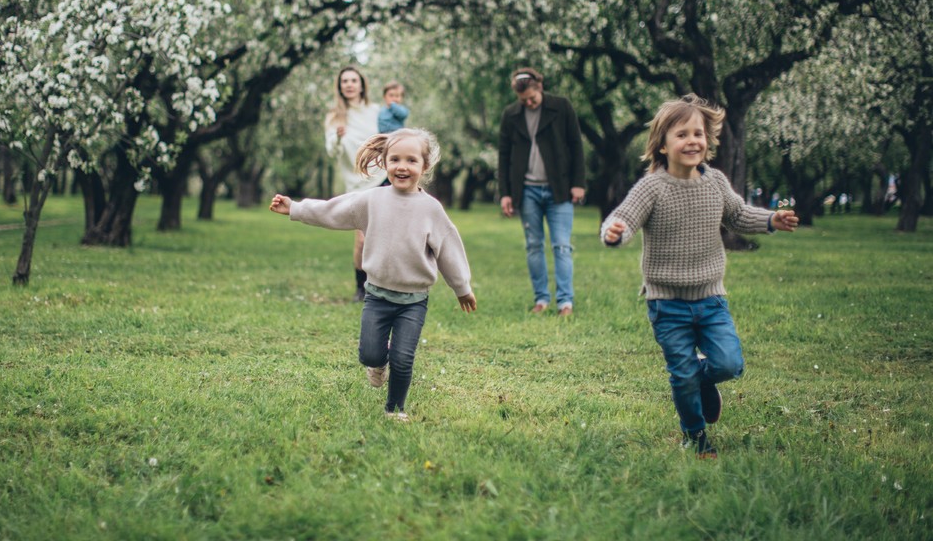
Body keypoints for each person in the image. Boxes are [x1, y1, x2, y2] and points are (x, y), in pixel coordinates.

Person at [600, 94, 799, 458]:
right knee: (682, 374)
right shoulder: (652, 188)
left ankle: (705, 383)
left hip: (710, 299)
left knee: (729, 363)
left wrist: (771, 219)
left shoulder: (716, 183)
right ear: (662, 144)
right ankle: (695, 435)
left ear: (708, 140)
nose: (692, 141)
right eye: (682, 134)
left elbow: (738, 215)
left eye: (698, 133)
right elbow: (624, 218)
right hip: (666, 303)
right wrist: (615, 232)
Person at [270, 128, 477, 421]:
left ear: (424, 166)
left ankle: (395, 409)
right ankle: (377, 363)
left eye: (411, 160)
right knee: (370, 354)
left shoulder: (431, 209)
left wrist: (462, 287)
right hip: (377, 297)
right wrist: (295, 208)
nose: (402, 166)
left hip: (413, 301)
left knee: (403, 359)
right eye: (395, 159)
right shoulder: (372, 200)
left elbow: (449, 250)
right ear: (384, 162)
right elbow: (332, 210)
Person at [497, 67, 586, 316]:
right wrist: (505, 193)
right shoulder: (512, 115)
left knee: (561, 245)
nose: (529, 103)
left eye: (532, 98)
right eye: (523, 100)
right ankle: (541, 299)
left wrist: (578, 183)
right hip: (527, 191)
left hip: (560, 188)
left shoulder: (561, 107)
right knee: (534, 245)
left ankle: (565, 302)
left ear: (540, 87)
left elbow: (576, 145)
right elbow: (503, 155)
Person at [324, 66, 385, 301]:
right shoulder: (335, 116)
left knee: (383, 236)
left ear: (361, 85)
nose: (349, 84)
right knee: (362, 238)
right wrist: (338, 137)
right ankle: (361, 288)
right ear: (340, 86)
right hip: (357, 183)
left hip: (382, 178)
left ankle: (382, 286)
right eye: (345, 81)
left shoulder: (375, 111)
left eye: (353, 80)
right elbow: (331, 150)